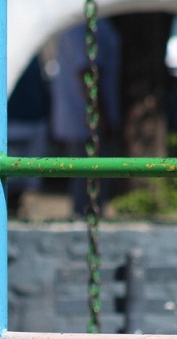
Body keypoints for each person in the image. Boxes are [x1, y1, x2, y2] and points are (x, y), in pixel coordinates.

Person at [50, 19, 122, 217]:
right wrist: (102, 118)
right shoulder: (81, 25)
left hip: (86, 122)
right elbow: (86, 72)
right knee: (88, 191)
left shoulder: (88, 22)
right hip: (87, 124)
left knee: (91, 187)